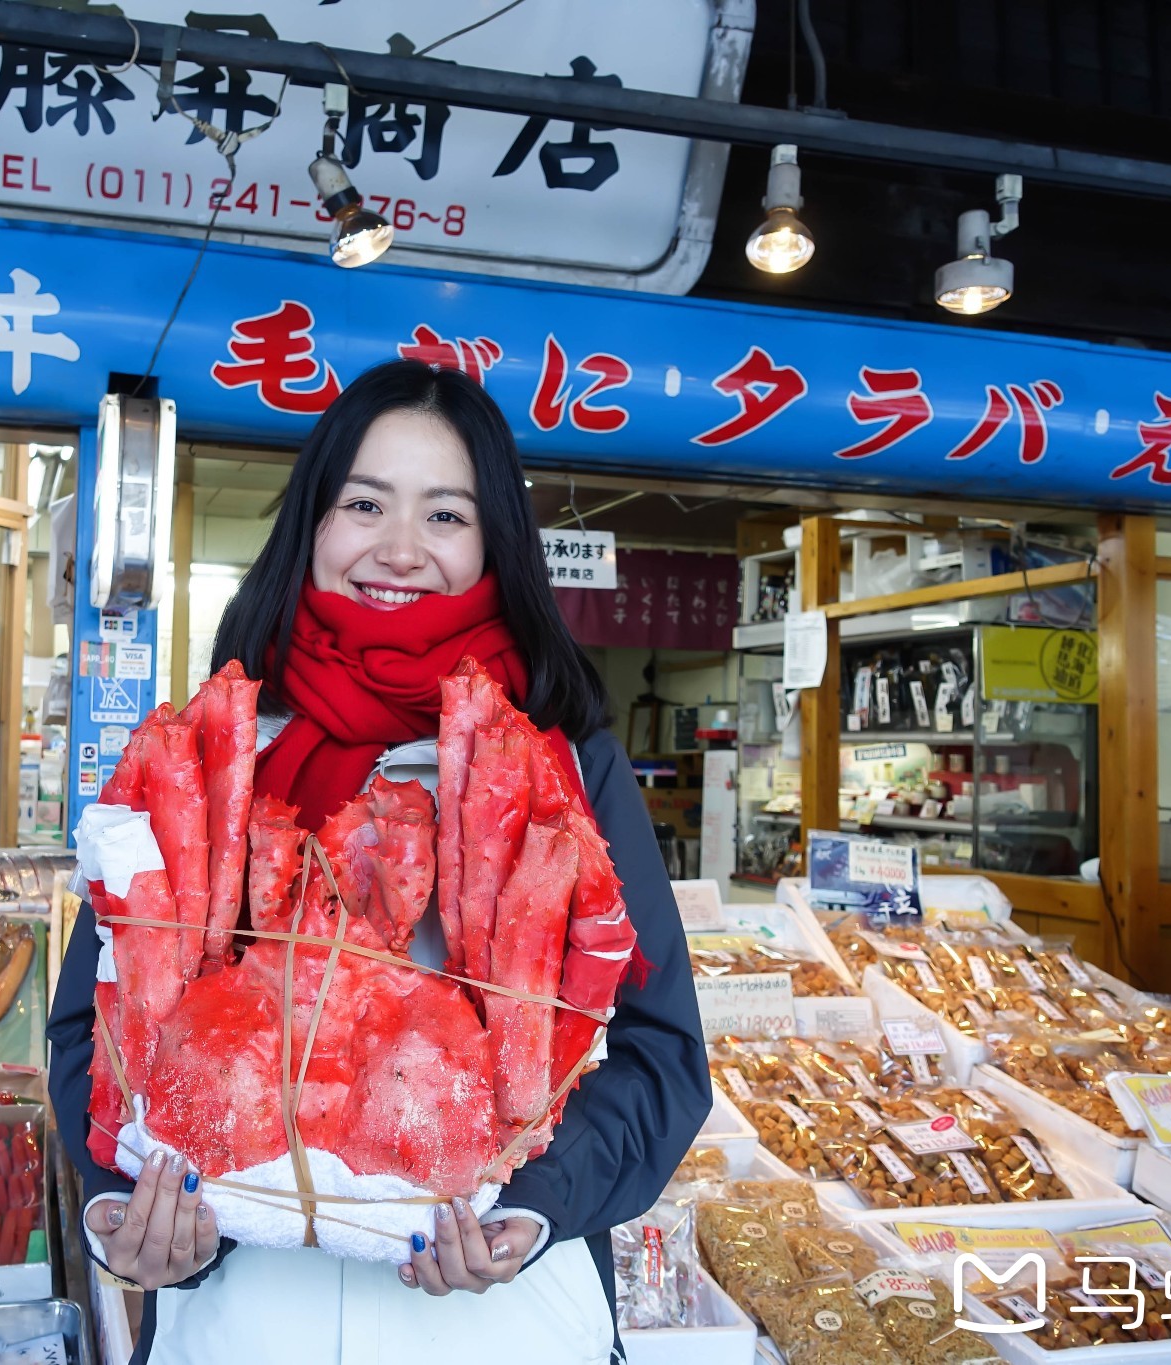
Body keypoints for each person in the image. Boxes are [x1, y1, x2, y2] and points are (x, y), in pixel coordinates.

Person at [48, 360, 710, 1363]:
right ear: (311, 523)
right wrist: (122, 1194)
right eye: (364, 503)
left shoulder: (557, 765)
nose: (398, 550)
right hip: (238, 1321)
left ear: (494, 543)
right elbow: (89, 1017)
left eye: (445, 515)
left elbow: (660, 1055)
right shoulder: (216, 750)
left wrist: (529, 1204)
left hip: (500, 1329)